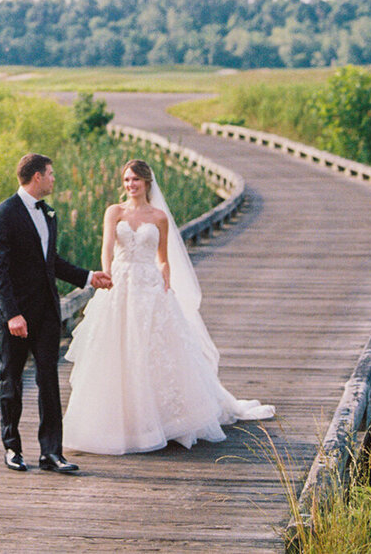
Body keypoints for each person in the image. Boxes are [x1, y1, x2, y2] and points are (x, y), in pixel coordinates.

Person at [63, 157, 274, 454]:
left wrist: (166, 279)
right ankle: (122, 421)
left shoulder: (159, 217)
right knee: (116, 347)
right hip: (121, 283)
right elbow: (107, 246)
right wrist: (107, 272)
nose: (130, 185)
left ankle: (166, 420)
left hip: (149, 285)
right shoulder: (115, 211)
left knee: (156, 346)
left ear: (147, 182)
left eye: (135, 179)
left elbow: (162, 256)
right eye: (126, 180)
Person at [0, 153, 113, 475]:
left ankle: (51, 453)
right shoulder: (2, 215)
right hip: (15, 315)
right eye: (51, 174)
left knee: (48, 381)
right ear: (37, 177)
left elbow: (50, 262)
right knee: (11, 381)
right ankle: (12, 448)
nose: (55, 179)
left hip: (45, 312)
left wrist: (87, 277)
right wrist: (13, 314)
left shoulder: (48, 214)